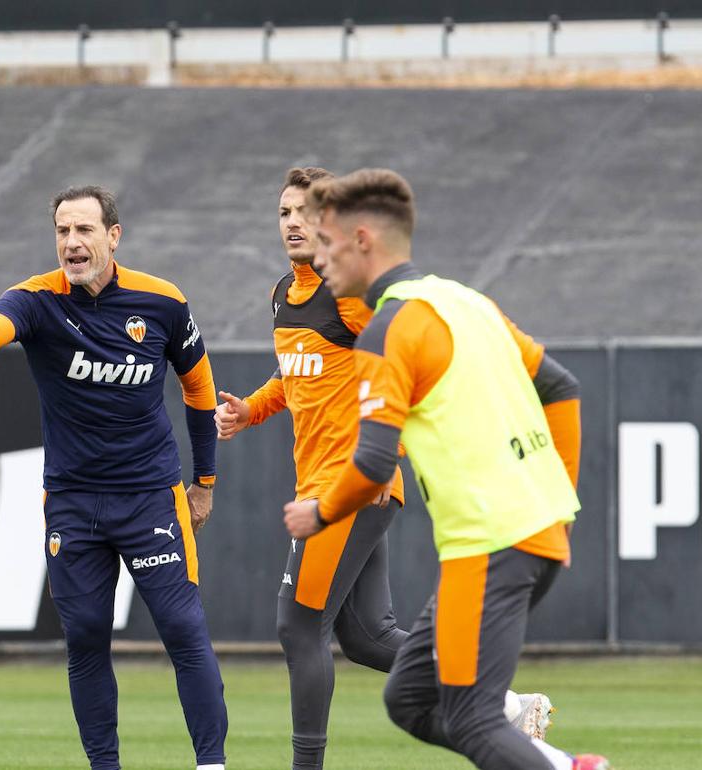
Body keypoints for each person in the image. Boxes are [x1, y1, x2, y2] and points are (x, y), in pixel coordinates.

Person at [215, 167, 553, 770]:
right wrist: (251, 409)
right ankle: (506, 706)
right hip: (339, 488)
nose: (294, 222)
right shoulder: (281, 294)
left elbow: (398, 363)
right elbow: (295, 378)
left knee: (298, 627)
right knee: (368, 637)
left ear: (334, 225)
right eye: (284, 212)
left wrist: (382, 449)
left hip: (349, 486)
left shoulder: (347, 297)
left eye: (306, 212)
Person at [283, 168, 609, 770]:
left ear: (362, 241)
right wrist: (560, 499)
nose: (319, 256)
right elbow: (561, 386)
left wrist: (321, 510)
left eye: (327, 242)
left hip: (489, 544)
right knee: (408, 698)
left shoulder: (387, 329)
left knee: (472, 719)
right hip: (528, 536)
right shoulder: (464, 300)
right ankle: (565, 765)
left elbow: (376, 459)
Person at [0, 186, 228, 770]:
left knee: (183, 630)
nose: (71, 243)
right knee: (86, 638)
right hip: (73, 501)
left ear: (114, 236)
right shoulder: (38, 299)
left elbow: (200, 390)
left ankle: (211, 766)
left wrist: (204, 481)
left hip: (150, 499)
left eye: (84, 230)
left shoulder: (162, 301)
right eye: (62, 231)